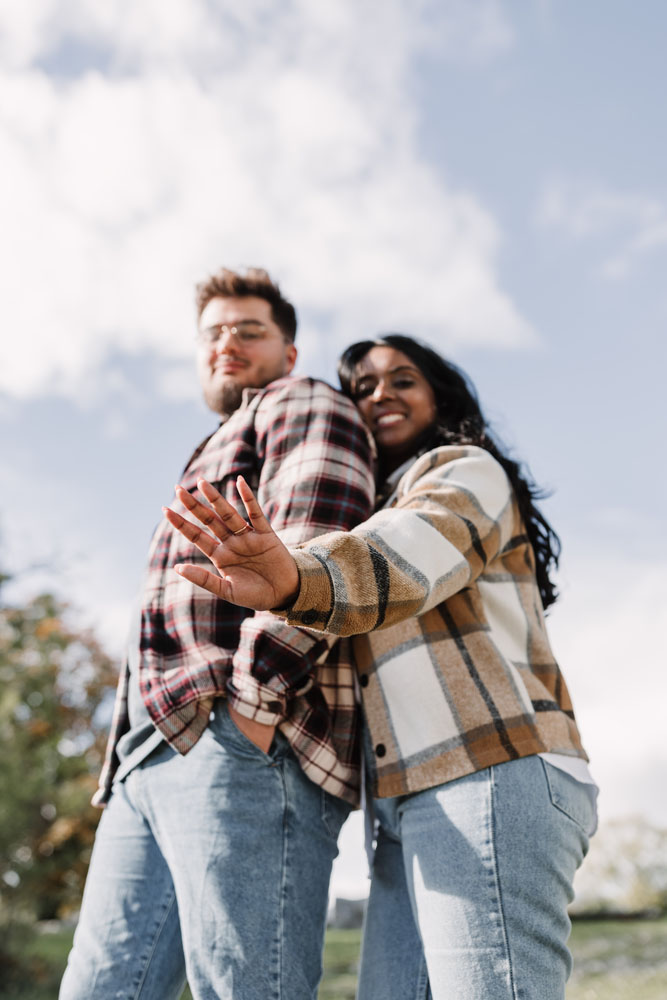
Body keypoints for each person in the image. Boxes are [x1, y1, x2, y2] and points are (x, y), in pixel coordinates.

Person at [164, 334, 598, 1000]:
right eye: (362, 387)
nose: (381, 395)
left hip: (487, 770)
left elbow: (407, 553)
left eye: (402, 379)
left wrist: (293, 578)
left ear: (440, 394)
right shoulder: (372, 503)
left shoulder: (460, 470)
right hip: (400, 801)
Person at [60, 269, 375, 1000]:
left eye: (248, 330)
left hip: (233, 740)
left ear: (288, 353)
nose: (225, 343)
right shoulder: (208, 448)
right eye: (212, 334)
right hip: (146, 754)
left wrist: (251, 712)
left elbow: (317, 543)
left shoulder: (302, 402)